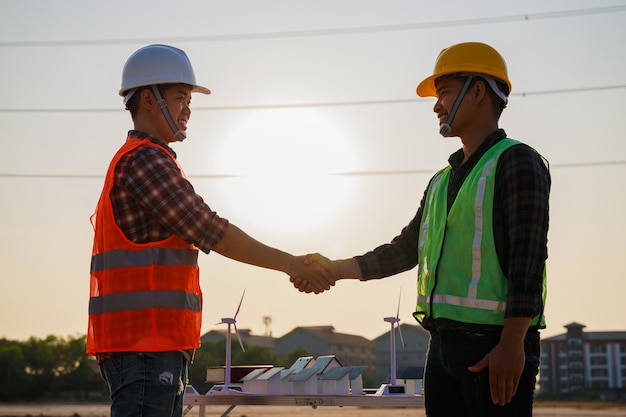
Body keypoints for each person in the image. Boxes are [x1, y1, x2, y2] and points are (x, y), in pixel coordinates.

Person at [295, 42, 550, 416]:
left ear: (477, 91)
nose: (436, 106)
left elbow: (528, 259)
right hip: (443, 348)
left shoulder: (518, 161)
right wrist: (336, 268)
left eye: (444, 92)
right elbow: (404, 249)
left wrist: (513, 343)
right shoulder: (441, 180)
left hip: (495, 347)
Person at [87, 44, 333, 417]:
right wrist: (292, 264)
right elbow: (210, 229)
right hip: (144, 347)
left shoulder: (147, 159)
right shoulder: (145, 161)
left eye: (189, 100)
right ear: (149, 100)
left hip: (150, 347)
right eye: (180, 98)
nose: (188, 109)